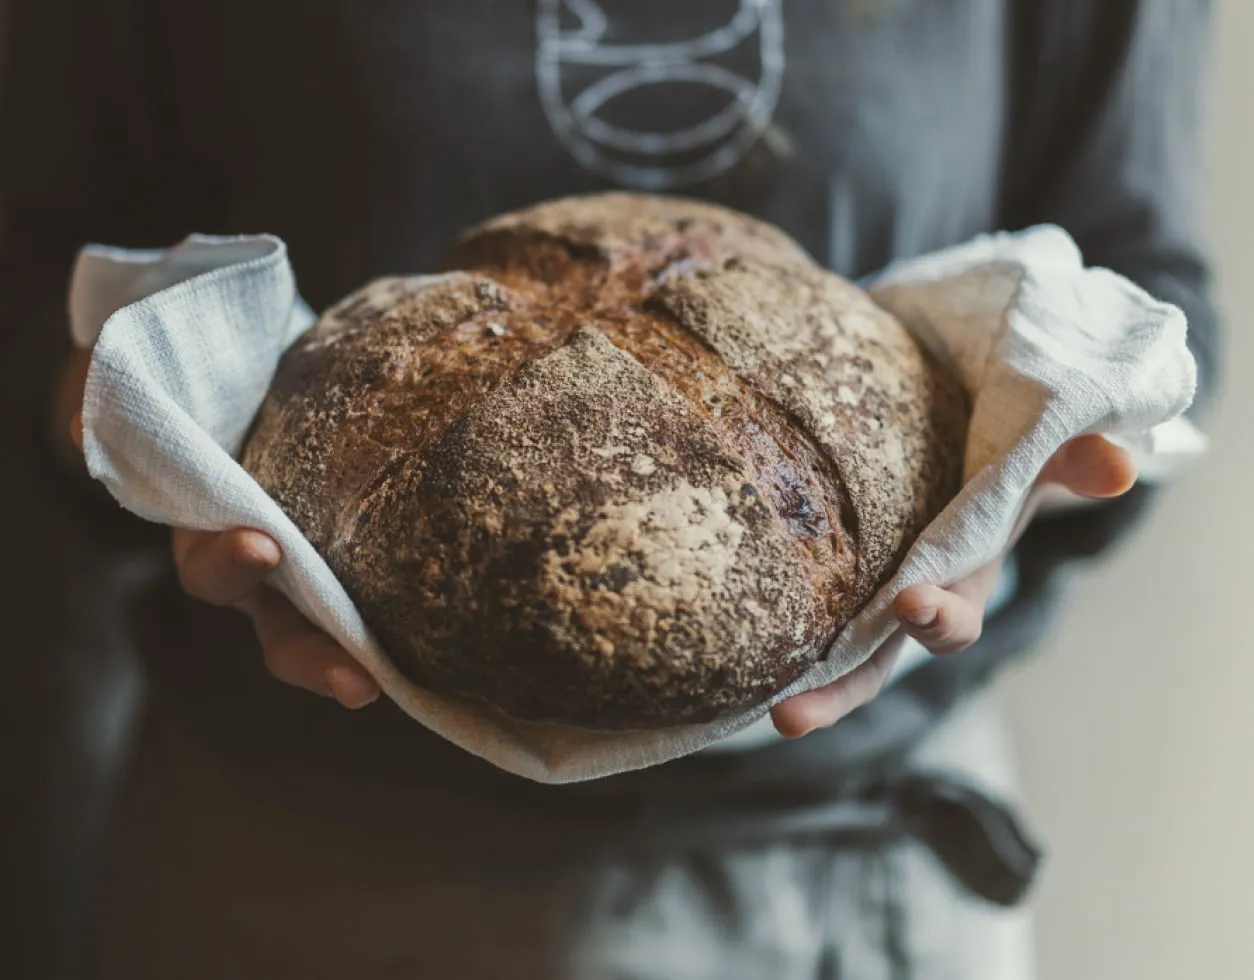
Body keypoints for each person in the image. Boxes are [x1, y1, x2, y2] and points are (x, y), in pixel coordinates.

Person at [1, 1, 1219, 977]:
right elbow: (33, 279)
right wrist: (153, 431)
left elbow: (1145, 299)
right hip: (295, 859)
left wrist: (1020, 474)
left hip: (836, 875)